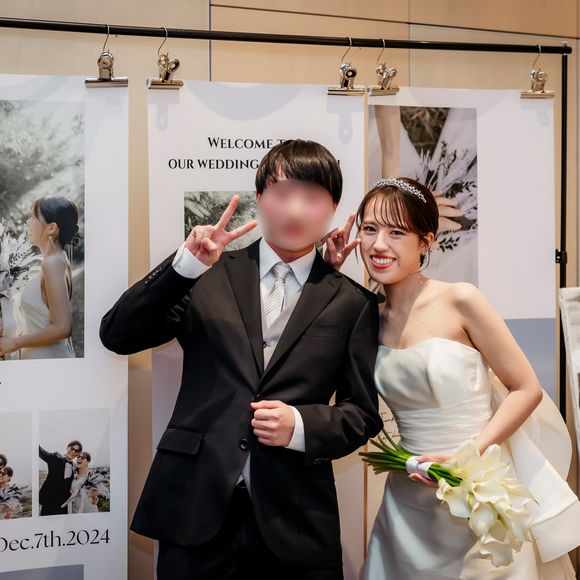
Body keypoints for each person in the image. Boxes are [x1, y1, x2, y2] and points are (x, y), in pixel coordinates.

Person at [100, 139, 383, 580]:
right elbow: (118, 335)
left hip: (294, 520)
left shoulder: (352, 302)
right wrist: (183, 267)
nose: (295, 211)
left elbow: (363, 414)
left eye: (312, 198)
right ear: (259, 198)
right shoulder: (205, 274)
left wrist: (301, 425)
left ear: (332, 208)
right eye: (282, 194)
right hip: (195, 508)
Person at [331, 177, 580, 578]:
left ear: (426, 241)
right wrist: (329, 271)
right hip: (408, 499)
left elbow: (526, 389)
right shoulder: (367, 317)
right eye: (370, 229)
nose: (378, 245)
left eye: (396, 233)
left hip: (477, 489)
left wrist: (470, 453)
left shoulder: (460, 299)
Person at [0, 196, 79, 359]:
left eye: (33, 216)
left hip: (47, 361)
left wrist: (15, 342)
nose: (28, 222)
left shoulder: (52, 263)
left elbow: (63, 327)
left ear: (51, 228)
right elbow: (44, 319)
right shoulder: (58, 258)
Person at [39, 440, 82, 516]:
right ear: (67, 447)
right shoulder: (56, 458)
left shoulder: (75, 466)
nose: (73, 452)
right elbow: (41, 452)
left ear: (77, 454)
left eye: (76, 451)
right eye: (72, 448)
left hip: (63, 505)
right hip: (49, 502)